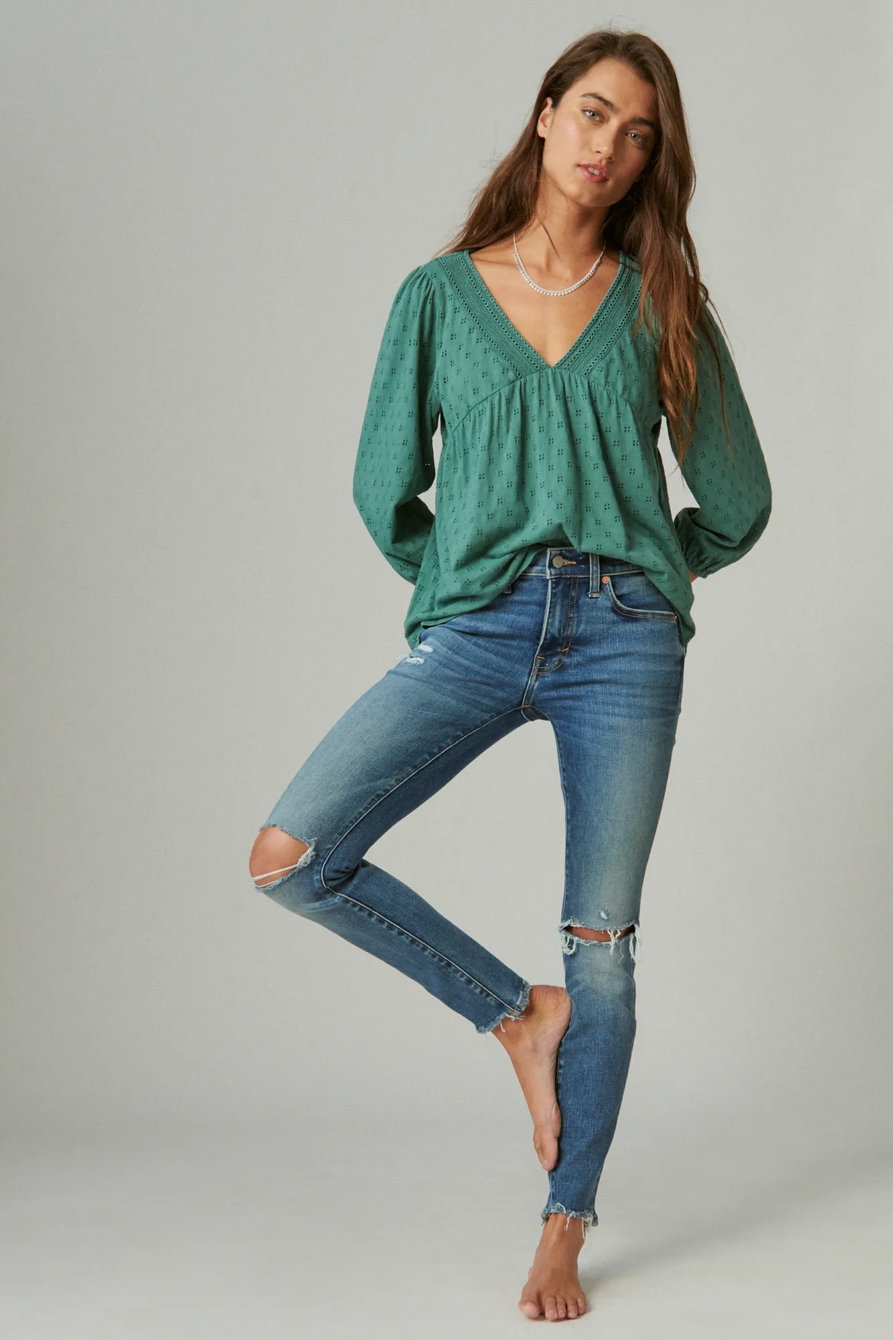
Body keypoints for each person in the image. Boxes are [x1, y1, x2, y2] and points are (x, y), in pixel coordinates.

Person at [248, 27, 772, 1323]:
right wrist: (462, 583)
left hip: (622, 640)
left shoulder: (657, 302)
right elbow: (384, 487)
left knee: (602, 948)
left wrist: (652, 569)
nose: (608, 147)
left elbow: (739, 496)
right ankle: (508, 1013)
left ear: (650, 160)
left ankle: (564, 1223)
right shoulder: (437, 296)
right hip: (479, 628)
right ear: (544, 116)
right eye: (592, 113)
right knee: (291, 856)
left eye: (637, 133)